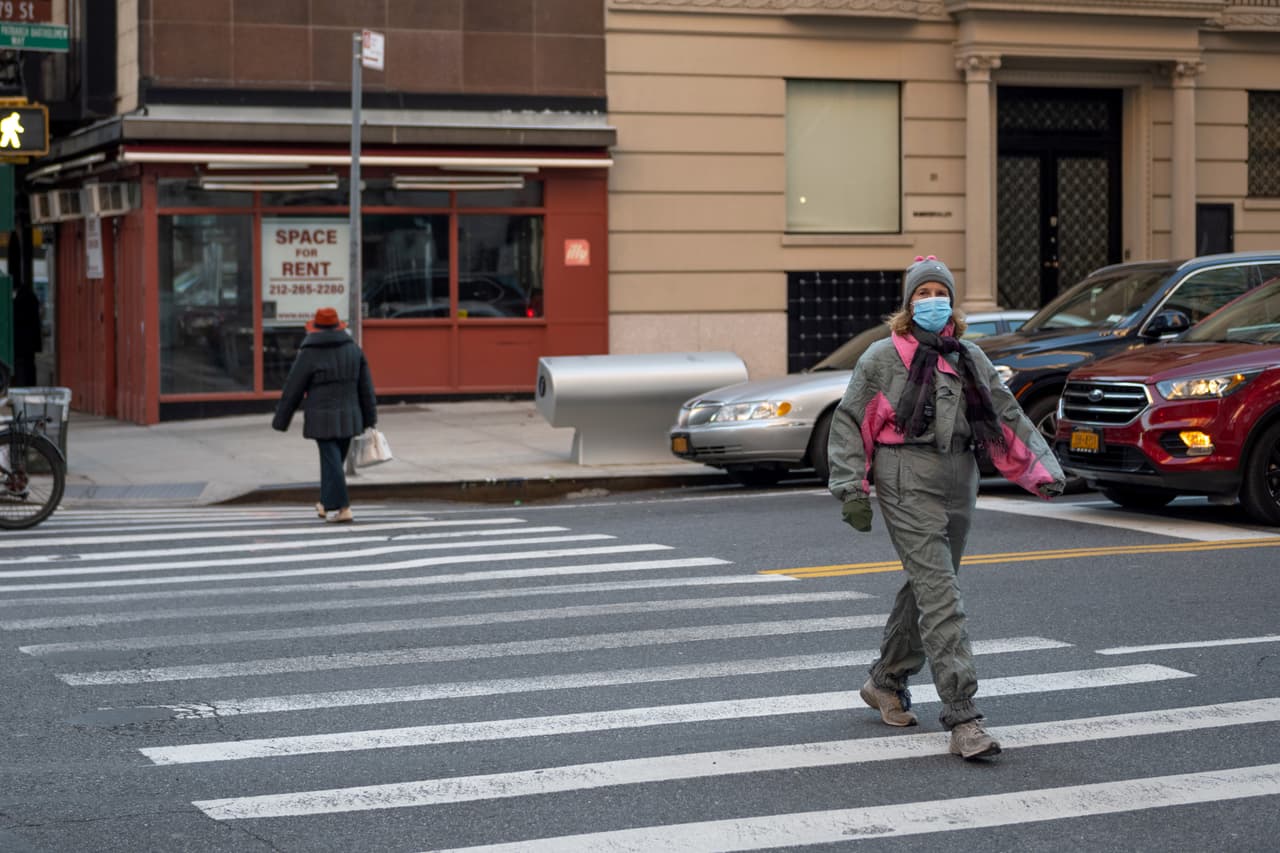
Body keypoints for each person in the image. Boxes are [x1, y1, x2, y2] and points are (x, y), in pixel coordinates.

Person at [827, 255, 1066, 760]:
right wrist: (851, 487)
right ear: (908, 304)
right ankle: (962, 716)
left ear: (952, 304)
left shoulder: (968, 356)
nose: (933, 302)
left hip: (961, 474)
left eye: (941, 294)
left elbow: (1005, 412)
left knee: (931, 585)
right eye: (923, 293)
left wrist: (1041, 468)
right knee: (942, 596)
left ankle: (886, 680)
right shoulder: (881, 357)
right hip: (904, 476)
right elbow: (851, 421)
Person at [272, 307, 377, 523]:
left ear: (316, 328)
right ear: (338, 326)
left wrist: (281, 419)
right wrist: (370, 418)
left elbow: (293, 388)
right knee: (334, 463)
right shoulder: (354, 350)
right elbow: (366, 388)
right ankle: (324, 503)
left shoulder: (309, 353)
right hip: (350, 416)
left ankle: (344, 508)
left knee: (332, 463)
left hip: (321, 418)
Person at [13, 280, 41, 387]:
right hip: (30, 341)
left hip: (20, 341)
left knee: (21, 365)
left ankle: (22, 385)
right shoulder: (32, 299)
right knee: (29, 364)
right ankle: (30, 384)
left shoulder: (19, 301)